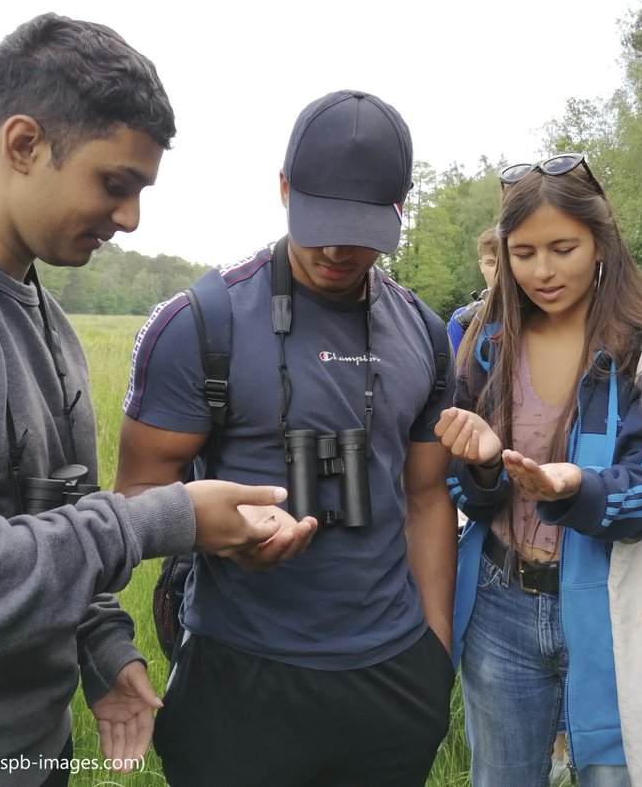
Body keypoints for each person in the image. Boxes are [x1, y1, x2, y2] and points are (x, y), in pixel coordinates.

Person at [0, 13, 297, 786]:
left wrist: (101, 650)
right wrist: (165, 518)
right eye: (115, 183)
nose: (131, 218)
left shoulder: (45, 317)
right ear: (24, 143)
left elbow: (48, 520)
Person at [117, 88, 457, 787]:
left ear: (399, 209)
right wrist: (223, 532)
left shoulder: (424, 331)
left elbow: (426, 498)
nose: (337, 246)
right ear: (282, 189)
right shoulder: (198, 324)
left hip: (392, 675)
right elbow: (136, 498)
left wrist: (433, 656)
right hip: (241, 676)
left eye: (362, 225)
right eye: (320, 219)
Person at [437, 153, 642, 787]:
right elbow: (462, 490)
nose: (542, 271)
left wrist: (576, 488)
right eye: (524, 252)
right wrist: (480, 468)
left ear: (600, 242)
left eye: (563, 247)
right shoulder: (488, 342)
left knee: (622, 776)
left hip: (617, 611)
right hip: (499, 605)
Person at [447, 226, 499, 356]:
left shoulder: (534, 314)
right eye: (491, 263)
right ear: (481, 266)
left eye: (504, 263)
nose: (498, 270)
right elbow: (451, 372)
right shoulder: (461, 319)